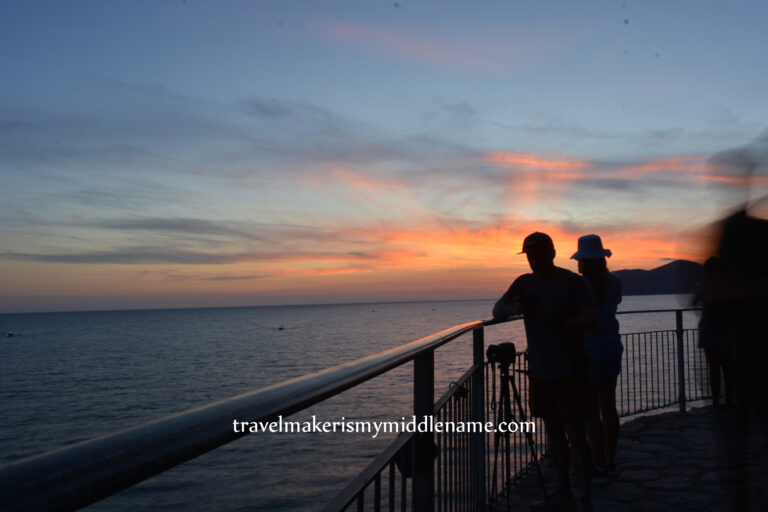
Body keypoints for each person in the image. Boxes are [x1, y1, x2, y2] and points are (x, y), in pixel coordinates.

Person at [493, 232, 597, 512]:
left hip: (571, 370)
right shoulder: (524, 283)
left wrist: (558, 320)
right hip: (540, 372)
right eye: (530, 256)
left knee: (576, 436)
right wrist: (516, 307)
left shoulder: (573, 283)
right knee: (553, 434)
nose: (534, 261)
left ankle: (585, 498)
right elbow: (497, 308)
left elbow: (590, 320)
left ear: (552, 253)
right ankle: (564, 493)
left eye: (539, 255)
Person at [571, 234, 623, 482]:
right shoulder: (614, 282)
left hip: (588, 350)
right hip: (611, 347)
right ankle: (610, 459)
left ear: (582, 261)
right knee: (609, 406)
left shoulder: (580, 285)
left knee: (592, 411)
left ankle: (597, 461)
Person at [692, 257, 732, 407]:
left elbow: (694, 302)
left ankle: (716, 400)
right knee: (727, 366)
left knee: (714, 367)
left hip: (710, 330)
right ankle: (728, 398)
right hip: (724, 329)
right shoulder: (727, 286)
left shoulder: (705, 287)